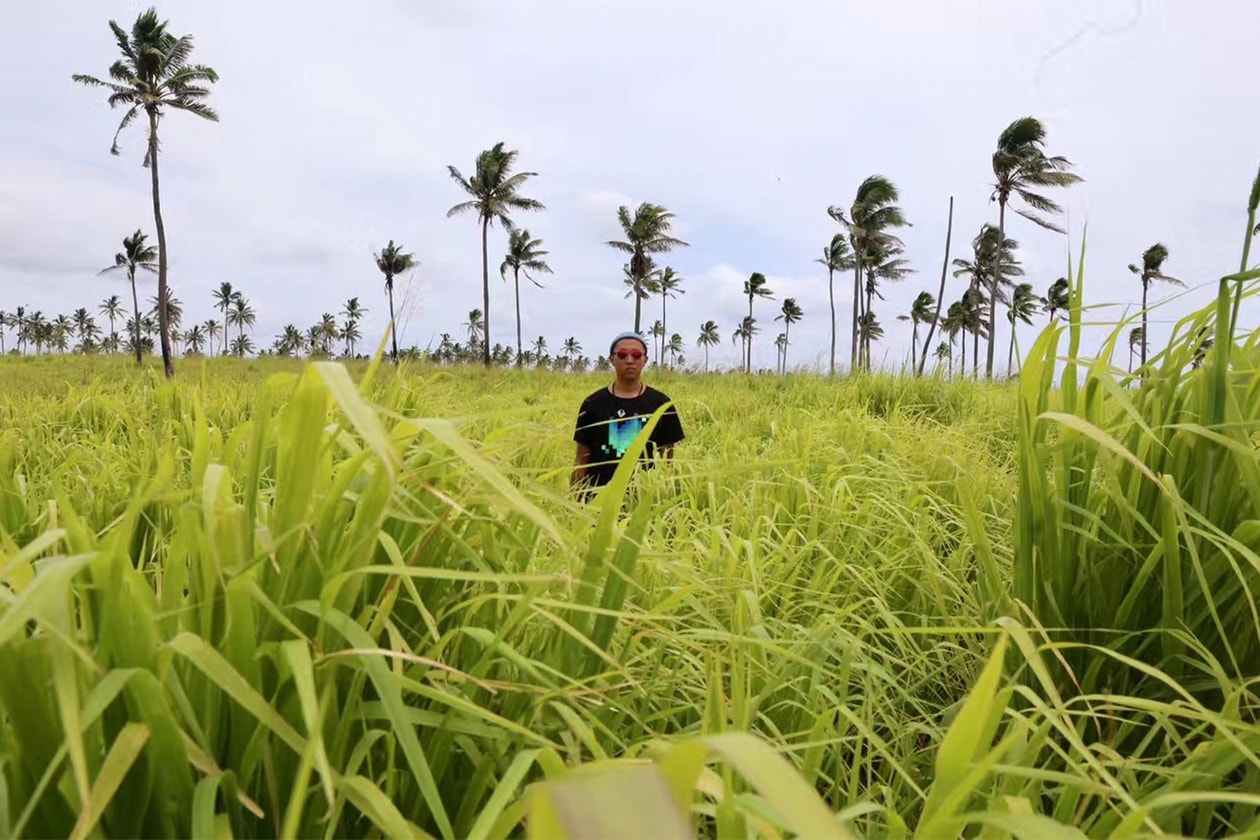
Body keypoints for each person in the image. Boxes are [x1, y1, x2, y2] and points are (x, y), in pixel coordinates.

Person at [571, 331, 685, 495]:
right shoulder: (592, 404)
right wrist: (574, 504)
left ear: (645, 360)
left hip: (644, 501)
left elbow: (667, 463)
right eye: (623, 355)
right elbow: (581, 461)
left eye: (637, 355)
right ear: (612, 360)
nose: (630, 360)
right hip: (597, 502)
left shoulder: (662, 404)